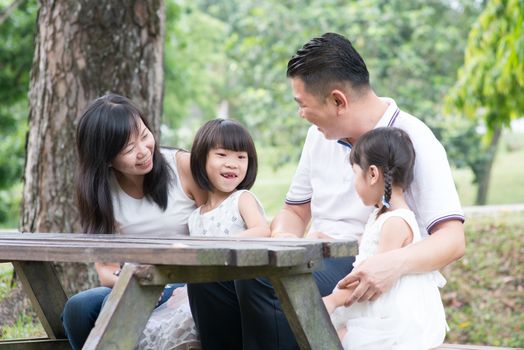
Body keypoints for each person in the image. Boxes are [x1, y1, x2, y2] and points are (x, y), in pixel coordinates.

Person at [188, 32, 464, 349]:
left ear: (337, 101)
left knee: (262, 280)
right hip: (314, 257)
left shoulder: (413, 138)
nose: (300, 114)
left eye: (302, 105)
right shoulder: (319, 136)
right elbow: (294, 211)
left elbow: (452, 240)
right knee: (209, 276)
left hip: (365, 263)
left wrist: (392, 264)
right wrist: (286, 240)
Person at [62, 93, 206, 350]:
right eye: (129, 149)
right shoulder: (99, 191)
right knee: (78, 308)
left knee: (114, 307)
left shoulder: (183, 166)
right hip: (137, 282)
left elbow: (219, 226)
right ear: (105, 158)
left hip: (188, 281)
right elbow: (105, 269)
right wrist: (130, 282)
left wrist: (195, 288)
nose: (143, 151)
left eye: (144, 135)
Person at [323, 127, 448, 349]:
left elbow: (372, 277)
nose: (354, 184)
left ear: (372, 174)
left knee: (338, 336)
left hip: (390, 319)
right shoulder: (381, 215)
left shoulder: (395, 223)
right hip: (376, 307)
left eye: (354, 174)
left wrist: (333, 301)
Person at [187, 118, 270, 238]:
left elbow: (262, 230)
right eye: (221, 155)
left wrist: (223, 245)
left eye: (241, 157)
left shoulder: (241, 200)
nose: (232, 164)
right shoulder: (194, 218)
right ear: (201, 159)